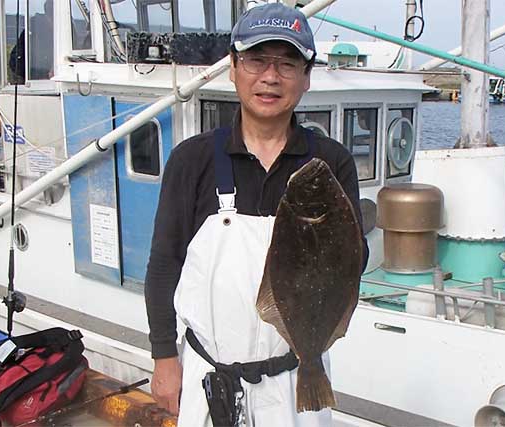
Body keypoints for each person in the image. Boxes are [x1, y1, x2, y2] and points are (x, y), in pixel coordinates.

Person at [144, 3, 367, 425]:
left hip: (296, 375)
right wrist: (164, 357)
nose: (270, 76)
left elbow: (354, 266)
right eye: (255, 60)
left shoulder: (332, 163)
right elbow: (163, 264)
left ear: (306, 76)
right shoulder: (192, 160)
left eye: (287, 63)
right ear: (232, 67)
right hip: (209, 377)